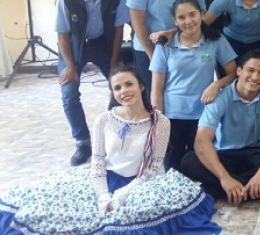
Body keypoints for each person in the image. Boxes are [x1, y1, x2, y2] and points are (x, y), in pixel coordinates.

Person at [0, 67, 222, 234]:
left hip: (142, 181)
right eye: (117, 87)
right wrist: (103, 196)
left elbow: (154, 167)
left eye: (128, 84)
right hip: (105, 179)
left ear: (141, 86)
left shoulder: (160, 122)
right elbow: (97, 163)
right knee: (47, 205)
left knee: (133, 219)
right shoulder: (104, 120)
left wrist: (125, 193)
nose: (124, 91)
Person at [181, 50, 260, 204]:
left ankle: (228, 190)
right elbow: (202, 140)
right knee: (189, 161)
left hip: (258, 154)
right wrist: (225, 178)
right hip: (226, 155)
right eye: (250, 70)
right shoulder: (220, 97)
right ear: (239, 71)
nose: (255, 77)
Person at [55, 0, 130, 165]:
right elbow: (62, 35)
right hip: (74, 46)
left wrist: (115, 61)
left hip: (103, 44)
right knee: (68, 92)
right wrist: (70, 66)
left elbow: (118, 30)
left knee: (121, 84)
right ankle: (82, 142)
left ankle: (110, 133)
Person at [149, 0, 237, 171]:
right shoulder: (165, 45)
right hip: (172, 114)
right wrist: (158, 120)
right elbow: (156, 88)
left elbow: (235, 73)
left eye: (192, 15)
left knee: (199, 165)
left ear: (201, 14)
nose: (188, 21)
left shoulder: (215, 40)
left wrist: (216, 84)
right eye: (181, 18)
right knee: (174, 168)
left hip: (203, 113)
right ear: (174, 21)